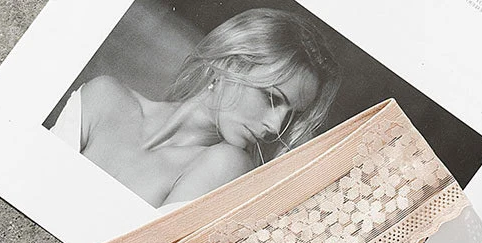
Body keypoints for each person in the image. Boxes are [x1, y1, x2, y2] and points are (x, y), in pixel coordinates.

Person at [51, 8, 340, 211]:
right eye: (272, 99)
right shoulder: (104, 96)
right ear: (230, 63)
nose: (275, 127)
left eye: (291, 115)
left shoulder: (226, 164)